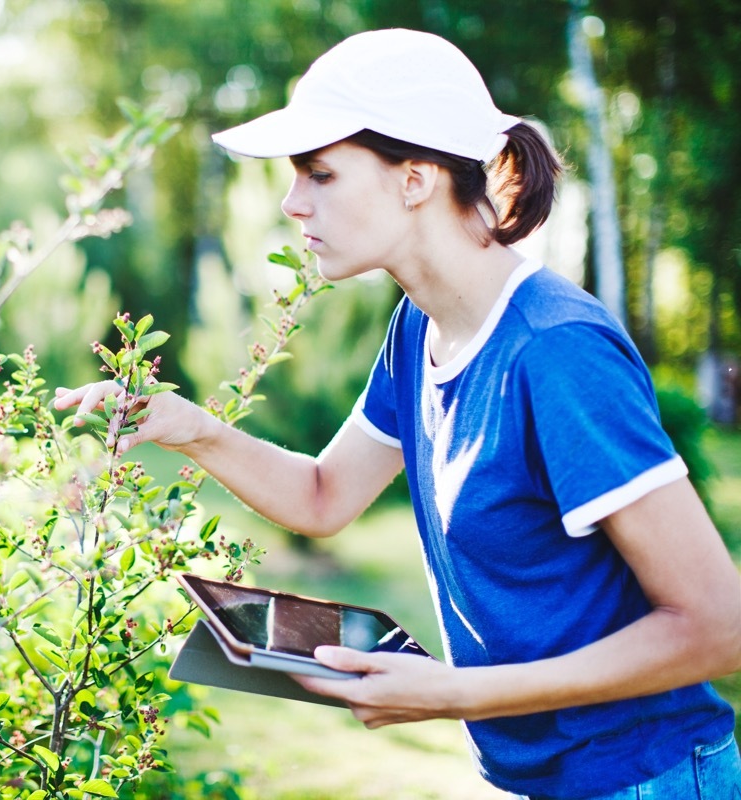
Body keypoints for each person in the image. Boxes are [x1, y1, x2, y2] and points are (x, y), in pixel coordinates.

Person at [53, 27, 741, 800]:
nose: (291, 203)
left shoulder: (554, 351)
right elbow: (323, 497)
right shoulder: (421, 327)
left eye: (319, 174)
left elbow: (718, 626)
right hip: (532, 778)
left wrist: (453, 693)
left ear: (414, 179)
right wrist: (196, 430)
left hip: (645, 776)